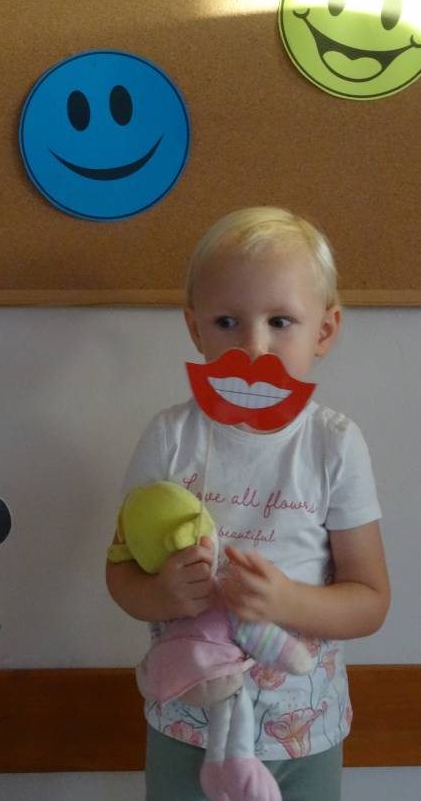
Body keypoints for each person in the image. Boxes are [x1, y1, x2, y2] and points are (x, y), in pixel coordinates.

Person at [106, 207, 390, 801]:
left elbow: (370, 601)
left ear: (324, 330)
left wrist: (288, 601)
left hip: (303, 731)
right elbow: (120, 573)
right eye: (227, 321)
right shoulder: (171, 438)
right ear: (195, 329)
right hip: (187, 722)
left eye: (280, 321)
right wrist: (162, 594)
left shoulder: (334, 444)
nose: (254, 346)